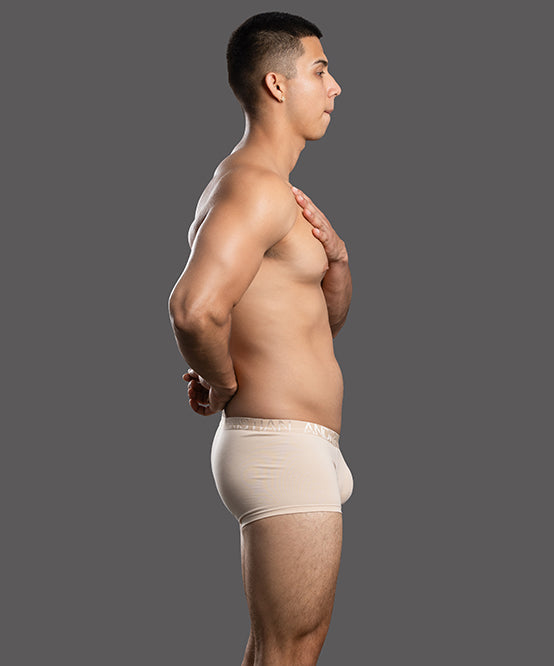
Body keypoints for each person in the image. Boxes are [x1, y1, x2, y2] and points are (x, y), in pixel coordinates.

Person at [168, 12, 353, 665]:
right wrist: (220, 381)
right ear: (277, 84)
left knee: (281, 649)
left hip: (300, 445)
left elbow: (316, 327)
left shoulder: (273, 192)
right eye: (320, 71)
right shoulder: (253, 189)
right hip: (279, 447)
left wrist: (336, 263)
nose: (335, 88)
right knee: (289, 651)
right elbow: (193, 310)